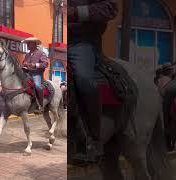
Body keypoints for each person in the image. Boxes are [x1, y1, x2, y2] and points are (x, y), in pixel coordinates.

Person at [69, 0, 118, 159]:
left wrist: (74, 12)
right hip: (60, 39)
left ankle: (93, 139)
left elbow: (109, 9)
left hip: (81, 41)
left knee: (84, 79)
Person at [22, 37, 49, 111]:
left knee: (37, 86)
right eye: (27, 43)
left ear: (34, 44)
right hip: (27, 73)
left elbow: (45, 64)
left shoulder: (41, 53)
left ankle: (41, 104)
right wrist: (24, 64)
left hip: (37, 73)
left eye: (29, 43)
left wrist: (36, 65)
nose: (27, 45)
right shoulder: (27, 55)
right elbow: (23, 63)